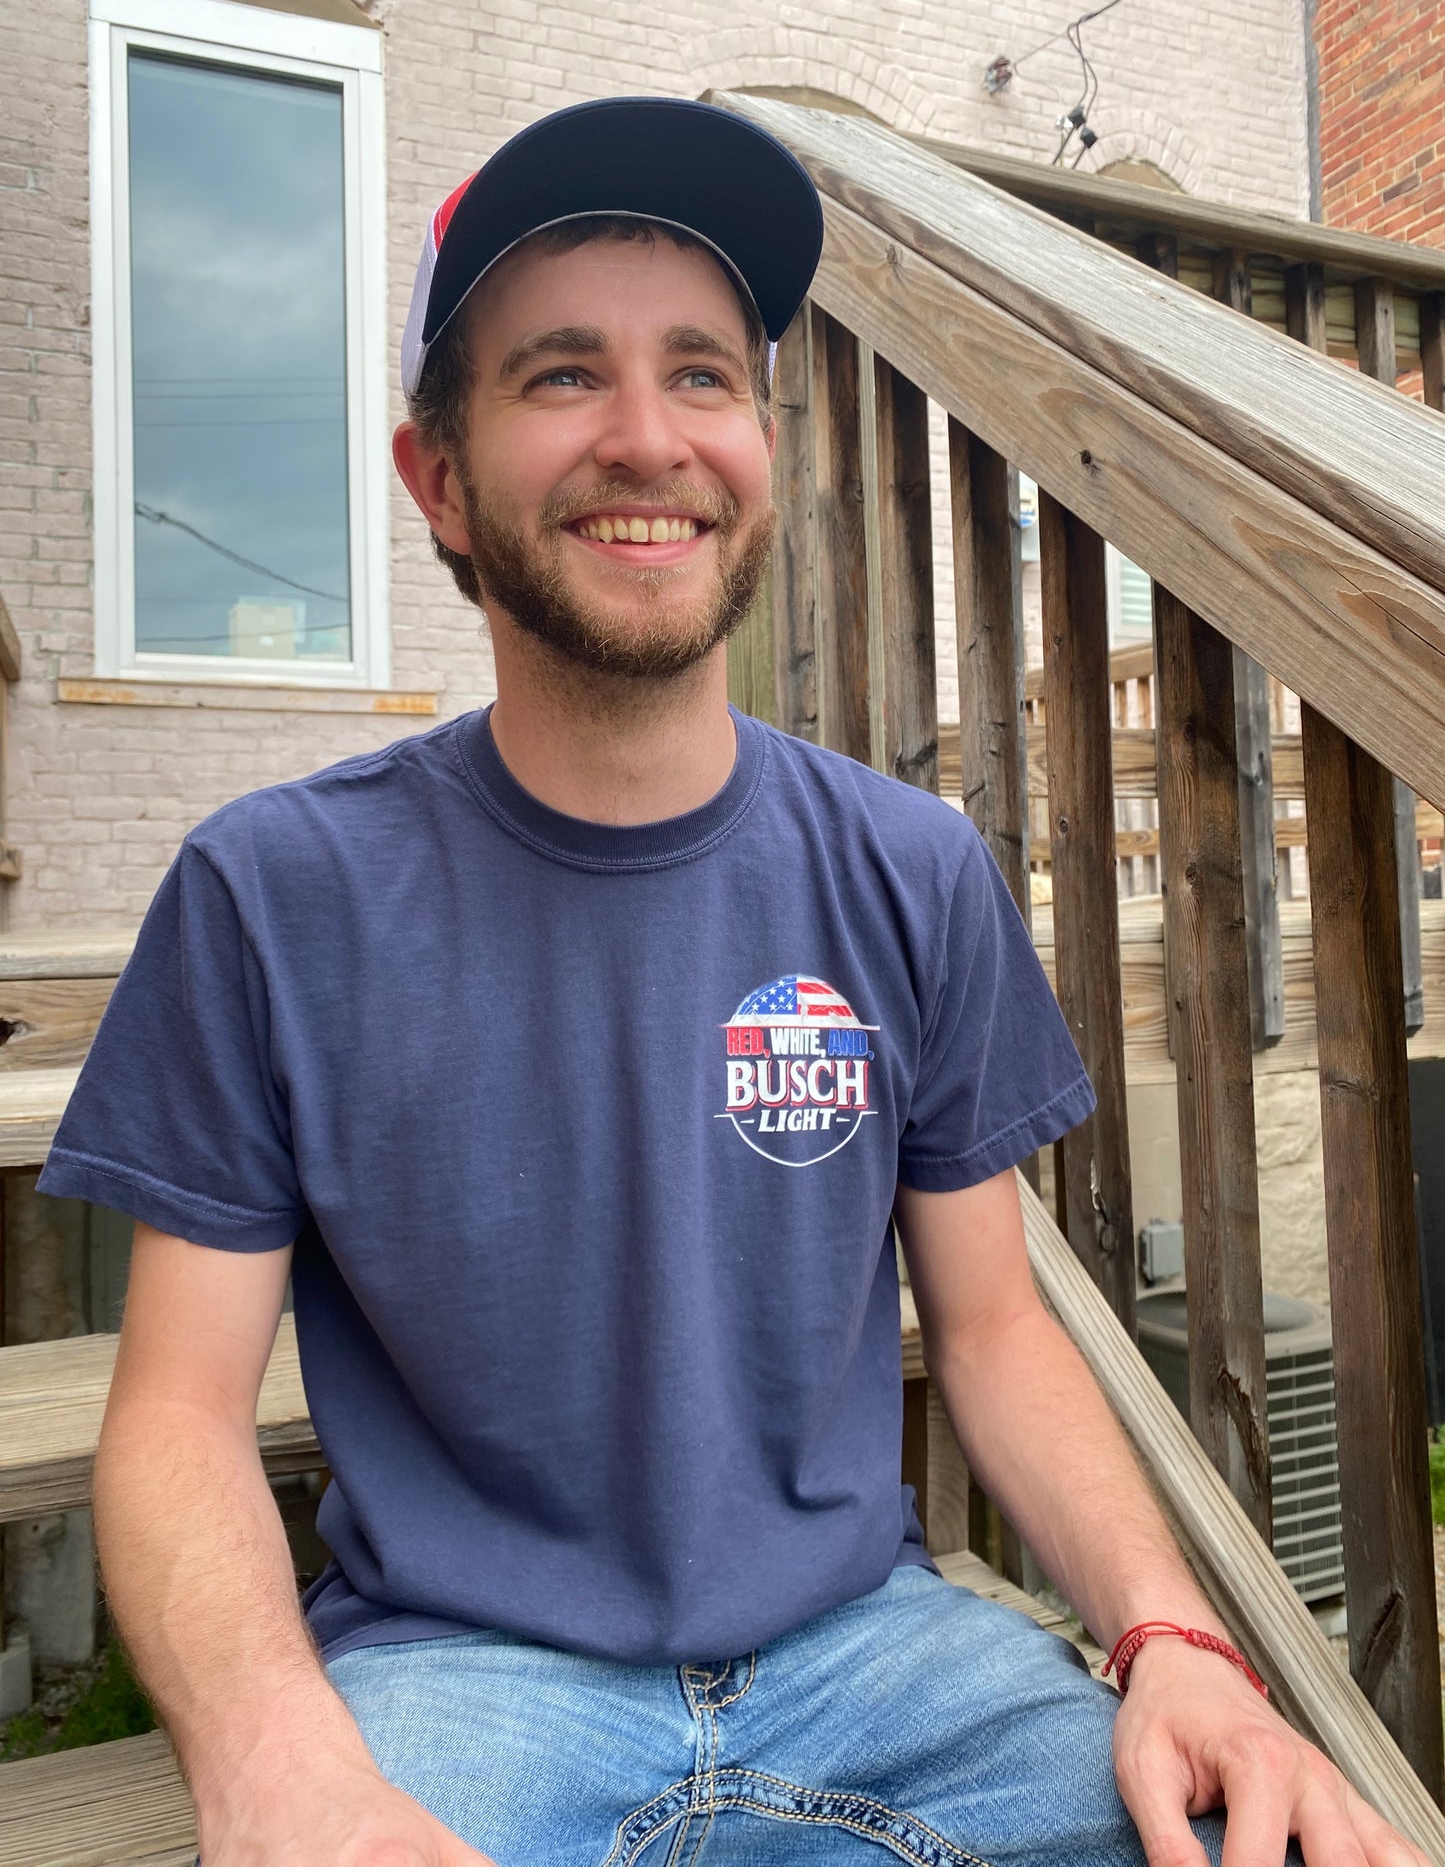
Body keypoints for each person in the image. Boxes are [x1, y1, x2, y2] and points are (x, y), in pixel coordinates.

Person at [40, 98, 1421, 1867]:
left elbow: (995, 1332)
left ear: (762, 445)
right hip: (467, 1684)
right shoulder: (274, 893)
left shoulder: (908, 870)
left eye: (702, 374)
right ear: (438, 476)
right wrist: (271, 1765)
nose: (646, 437)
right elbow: (170, 1416)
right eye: (558, 376)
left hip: (885, 1667)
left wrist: (1170, 1637)